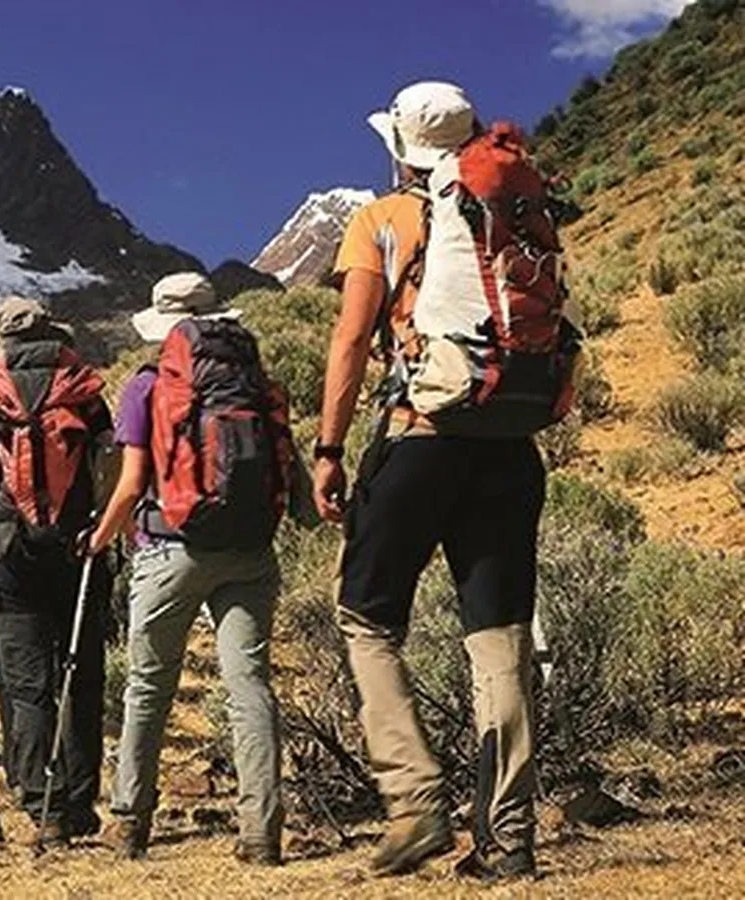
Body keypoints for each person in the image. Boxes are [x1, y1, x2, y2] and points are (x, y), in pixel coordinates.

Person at [317, 81, 548, 880]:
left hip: (421, 436)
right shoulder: (511, 211)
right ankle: (509, 837)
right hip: (509, 445)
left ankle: (415, 803)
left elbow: (351, 341)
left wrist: (328, 448)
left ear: (401, 151)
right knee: (500, 636)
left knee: (366, 616)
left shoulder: (383, 220)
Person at [88, 272, 317, 864]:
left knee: (148, 686)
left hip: (171, 550)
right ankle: (261, 831)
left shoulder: (146, 387)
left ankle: (129, 821)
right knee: (249, 684)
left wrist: (100, 537)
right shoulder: (256, 383)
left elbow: (132, 483)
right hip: (250, 550)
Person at [0, 297, 115, 846]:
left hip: (8, 547)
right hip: (78, 546)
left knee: (26, 682)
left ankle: (41, 802)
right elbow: (109, 464)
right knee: (81, 671)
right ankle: (80, 799)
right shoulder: (84, 390)